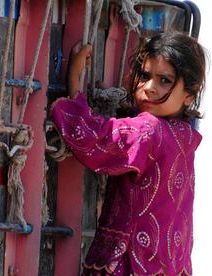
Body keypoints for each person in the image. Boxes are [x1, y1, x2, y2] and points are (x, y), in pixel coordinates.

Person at [51, 32, 206, 275]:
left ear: (190, 93)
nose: (149, 88)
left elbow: (96, 139)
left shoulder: (149, 131)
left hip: (129, 264)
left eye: (164, 80)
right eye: (144, 76)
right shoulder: (185, 137)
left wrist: (74, 81)